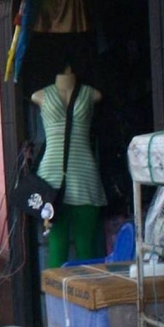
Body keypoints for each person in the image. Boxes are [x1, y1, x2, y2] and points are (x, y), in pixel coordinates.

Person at [32, 66, 106, 268]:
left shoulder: (91, 94)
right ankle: (56, 299)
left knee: (86, 248)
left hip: (85, 179)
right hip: (51, 181)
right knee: (57, 246)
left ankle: (87, 297)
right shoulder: (39, 95)